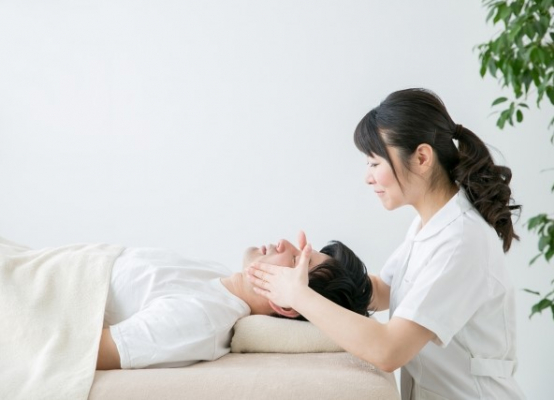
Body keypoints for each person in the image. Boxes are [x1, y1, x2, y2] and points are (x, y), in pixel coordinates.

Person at [248, 88, 525, 399]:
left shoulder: (460, 241)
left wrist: (297, 295)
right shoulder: (429, 226)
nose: (368, 178)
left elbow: (389, 349)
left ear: (422, 158)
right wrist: (311, 271)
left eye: (374, 163)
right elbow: (381, 290)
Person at [97, 232, 372, 370]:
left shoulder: (202, 319)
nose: (283, 242)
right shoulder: (214, 274)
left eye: (295, 260)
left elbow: (90, 349)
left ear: (286, 302)